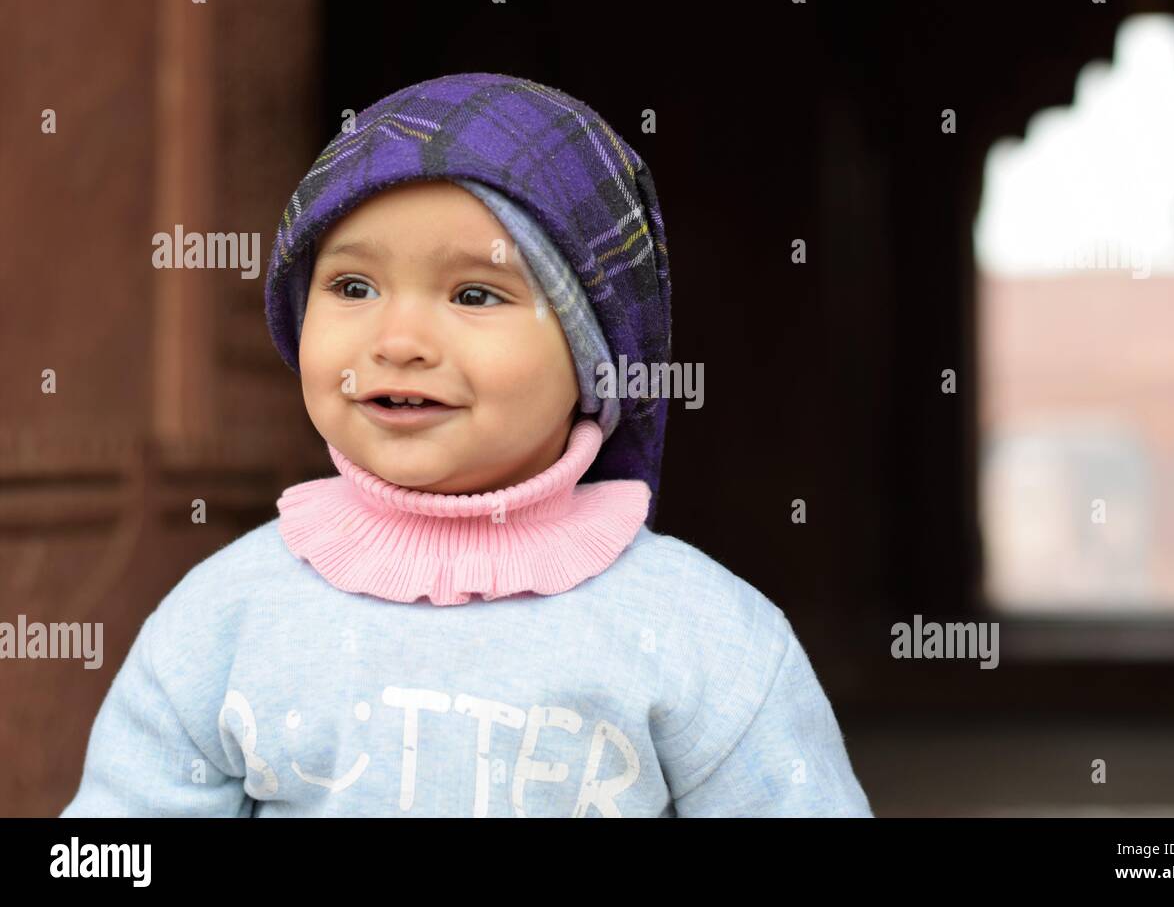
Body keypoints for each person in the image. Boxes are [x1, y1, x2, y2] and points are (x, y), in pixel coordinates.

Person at [60, 73, 873, 817]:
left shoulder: (706, 637)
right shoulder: (224, 618)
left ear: (594, 361)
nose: (400, 339)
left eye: (475, 292)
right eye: (351, 286)